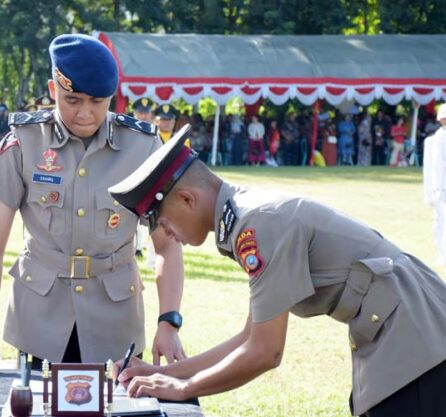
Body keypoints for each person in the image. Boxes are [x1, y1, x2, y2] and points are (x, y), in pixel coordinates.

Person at [110, 125, 446, 417]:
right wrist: (167, 374)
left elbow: (265, 352)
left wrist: (182, 389)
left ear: (187, 200)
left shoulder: (255, 226)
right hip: (404, 323)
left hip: (412, 333)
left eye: (163, 221)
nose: (167, 235)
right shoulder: (245, 217)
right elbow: (249, 337)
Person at [0, 34, 186, 378]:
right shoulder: (24, 143)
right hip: (40, 322)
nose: (84, 113)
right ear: (53, 89)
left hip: (116, 322)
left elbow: (167, 245)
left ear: (112, 96)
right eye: (72, 99)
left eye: (97, 101)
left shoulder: (143, 147)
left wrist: (169, 321)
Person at [131, 97, 157, 262]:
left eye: (146, 113)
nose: (143, 116)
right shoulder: (125, 133)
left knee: (149, 219)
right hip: (130, 181)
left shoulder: (156, 135)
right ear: (134, 113)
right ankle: (135, 248)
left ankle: (146, 251)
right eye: (140, 112)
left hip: (150, 182)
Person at [423, 105, 446, 266]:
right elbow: (430, 168)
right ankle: (442, 254)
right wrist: (431, 191)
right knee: (440, 221)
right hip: (439, 188)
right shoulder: (433, 140)